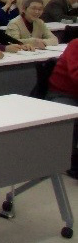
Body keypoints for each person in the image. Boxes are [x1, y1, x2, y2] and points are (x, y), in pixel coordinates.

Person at [46, 39, 78, 178]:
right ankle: (69, 160)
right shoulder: (76, 45)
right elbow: (76, 75)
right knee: (72, 116)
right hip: (63, 93)